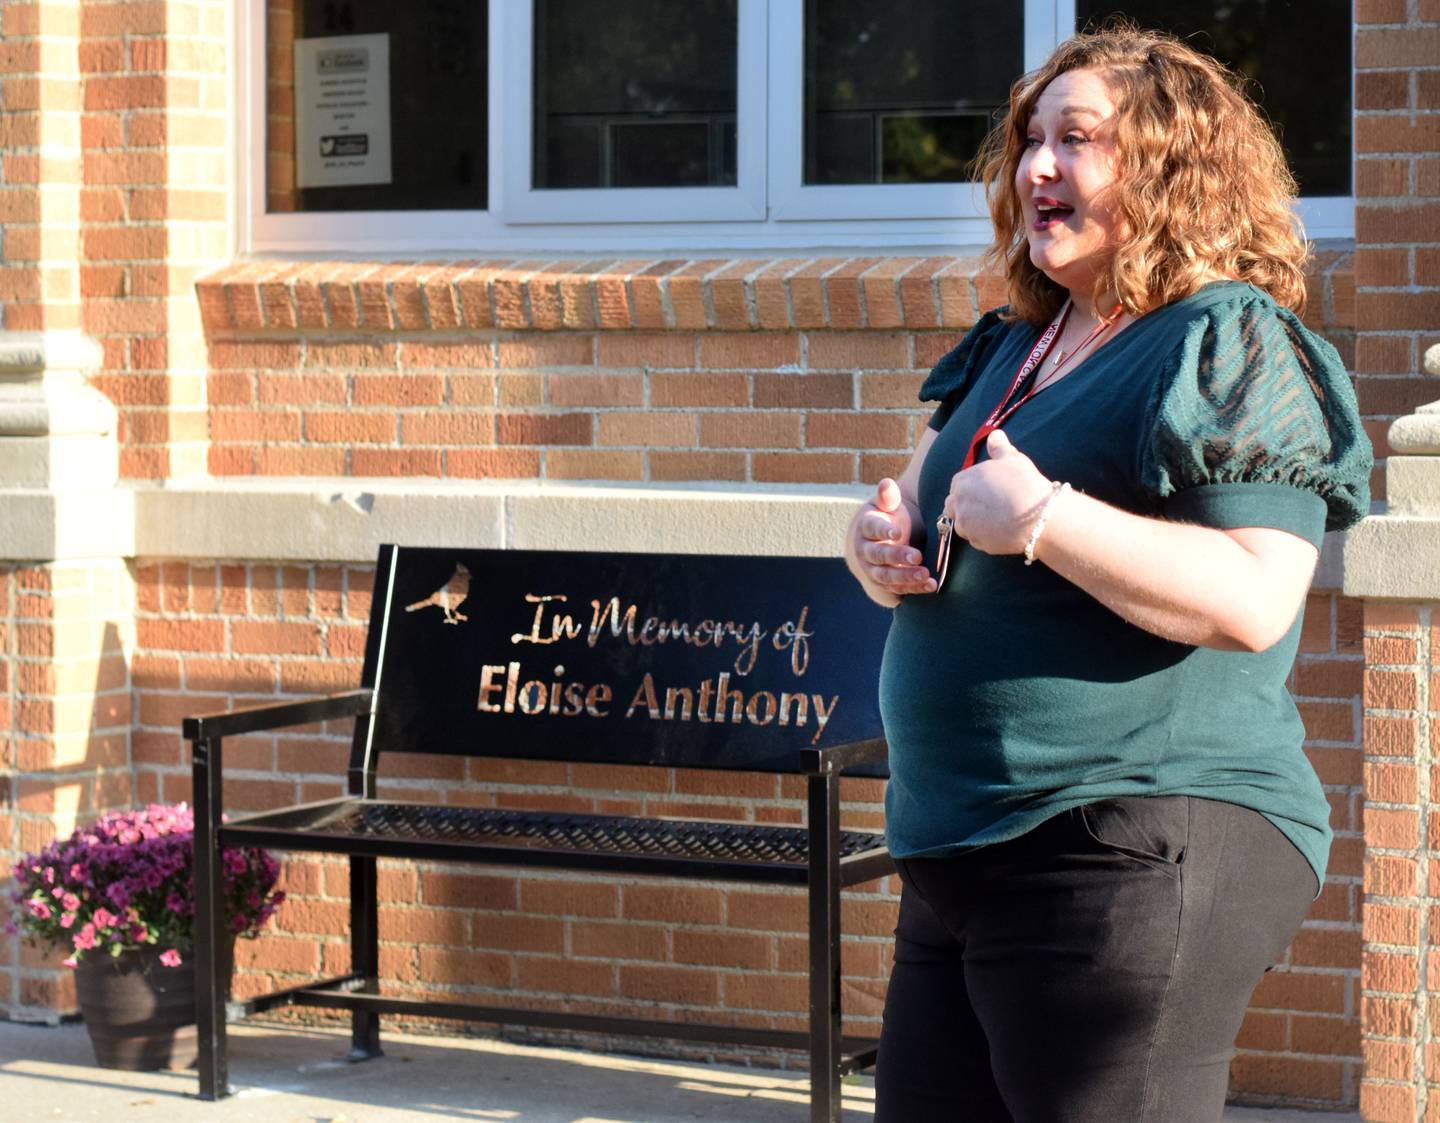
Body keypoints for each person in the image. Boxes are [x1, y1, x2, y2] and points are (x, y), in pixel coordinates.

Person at [844, 25, 1372, 1123]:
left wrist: (1043, 517)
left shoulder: (1226, 339)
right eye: (1029, 139)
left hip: (1126, 837)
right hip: (962, 850)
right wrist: (877, 549)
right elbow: (920, 524)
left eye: (1075, 140)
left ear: (1171, 168)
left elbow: (1255, 595)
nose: (1035, 166)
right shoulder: (1018, 345)